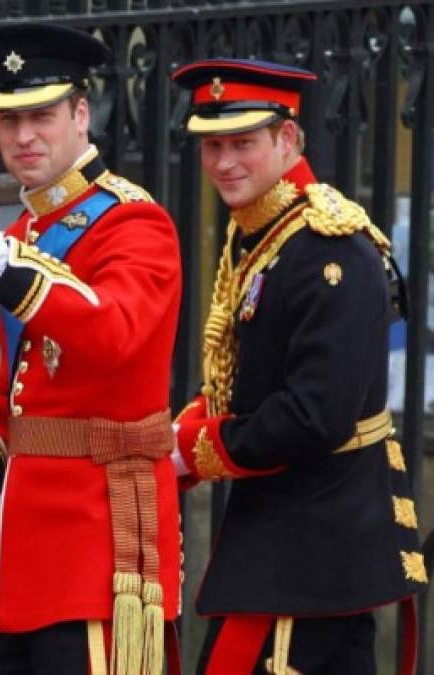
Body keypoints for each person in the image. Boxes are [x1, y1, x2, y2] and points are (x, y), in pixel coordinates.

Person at [0, 22, 183, 675]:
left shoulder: (133, 221)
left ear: (80, 113)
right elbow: (22, 381)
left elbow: (112, 334)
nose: (23, 137)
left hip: (100, 544)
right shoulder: (24, 229)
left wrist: (7, 266)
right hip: (23, 555)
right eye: (8, 120)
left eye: (41, 115)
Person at [170, 58, 428, 675]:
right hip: (292, 531)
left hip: (316, 539)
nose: (224, 162)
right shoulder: (261, 230)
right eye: (212, 146)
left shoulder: (327, 250)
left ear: (288, 139)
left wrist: (196, 449)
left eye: (243, 143)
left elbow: (314, 415)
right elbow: (244, 371)